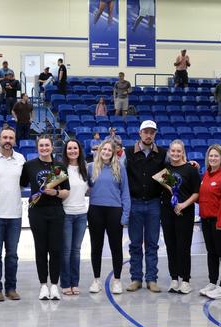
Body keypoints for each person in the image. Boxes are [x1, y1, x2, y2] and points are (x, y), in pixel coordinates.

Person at [20, 135, 71, 301]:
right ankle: (43, 285)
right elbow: (21, 183)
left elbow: (66, 192)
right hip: (37, 212)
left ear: (51, 147)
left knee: (55, 249)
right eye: (41, 145)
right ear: (37, 147)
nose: (44, 148)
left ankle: (54, 285)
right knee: (40, 249)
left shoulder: (59, 166)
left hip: (56, 211)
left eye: (47, 145)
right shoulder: (29, 166)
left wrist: (55, 192)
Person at [124, 120, 167, 293]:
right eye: (146, 132)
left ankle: (151, 279)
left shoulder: (163, 154)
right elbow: (117, 170)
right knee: (135, 243)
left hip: (154, 203)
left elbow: (177, 167)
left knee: (152, 243)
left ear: (155, 134)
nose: (149, 135)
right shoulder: (127, 153)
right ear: (140, 133)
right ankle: (136, 278)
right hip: (134, 203)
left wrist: (191, 164)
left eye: (152, 132)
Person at [0, 128, 25, 301]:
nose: (8, 140)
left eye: (11, 137)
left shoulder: (21, 159)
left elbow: (21, 184)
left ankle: (11, 288)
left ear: (15, 140)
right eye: (5, 137)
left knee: (12, 254)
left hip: (15, 214)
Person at [87, 138, 130, 295]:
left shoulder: (120, 168)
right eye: (103, 149)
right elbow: (83, 187)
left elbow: (125, 192)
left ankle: (117, 280)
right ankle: (96, 280)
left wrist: (125, 215)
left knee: (116, 248)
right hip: (95, 210)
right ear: (99, 151)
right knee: (96, 247)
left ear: (113, 153)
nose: (106, 152)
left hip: (114, 211)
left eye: (109, 150)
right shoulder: (91, 167)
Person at [160, 140, 200, 294]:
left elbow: (196, 193)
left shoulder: (190, 169)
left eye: (179, 151)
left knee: (183, 246)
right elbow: (169, 187)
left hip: (185, 212)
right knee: (171, 246)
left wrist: (183, 205)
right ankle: (174, 278)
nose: (175, 154)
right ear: (169, 152)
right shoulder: (166, 169)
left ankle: (186, 280)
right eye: (173, 151)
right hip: (168, 212)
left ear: (183, 152)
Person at [198, 144, 221, 300]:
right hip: (206, 220)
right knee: (211, 253)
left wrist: (220, 222)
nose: (213, 158)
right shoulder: (206, 175)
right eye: (210, 156)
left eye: (216, 156)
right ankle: (212, 282)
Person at [60, 139, 89, 296]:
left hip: (81, 215)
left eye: (75, 148)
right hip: (66, 214)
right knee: (66, 251)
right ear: (66, 151)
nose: (72, 151)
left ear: (79, 150)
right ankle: (65, 283)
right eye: (69, 148)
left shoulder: (85, 168)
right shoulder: (61, 169)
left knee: (76, 251)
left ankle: (74, 283)